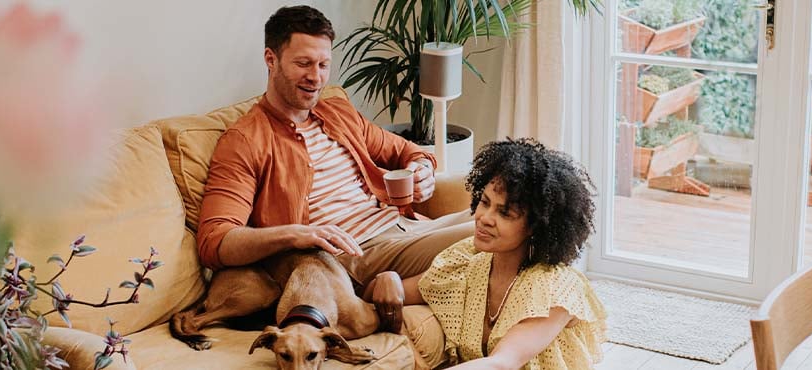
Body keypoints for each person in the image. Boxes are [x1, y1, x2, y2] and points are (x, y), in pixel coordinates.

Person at [196, 5, 473, 325]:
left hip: (406, 226)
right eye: (303, 63)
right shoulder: (246, 140)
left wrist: (422, 169)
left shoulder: (337, 111)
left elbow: (407, 151)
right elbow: (215, 241)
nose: (316, 77)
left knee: (504, 215)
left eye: (323, 64)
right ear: (271, 60)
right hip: (355, 255)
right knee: (494, 233)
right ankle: (374, 292)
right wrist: (296, 234)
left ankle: (395, 289)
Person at [371, 138, 607, 369]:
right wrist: (389, 278)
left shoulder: (556, 288)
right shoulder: (468, 262)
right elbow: (393, 292)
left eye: (504, 213)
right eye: (485, 203)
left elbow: (501, 363)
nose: (484, 218)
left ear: (535, 226)